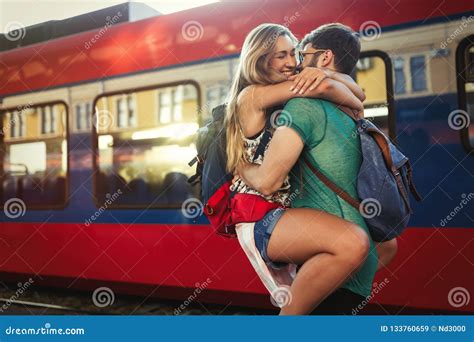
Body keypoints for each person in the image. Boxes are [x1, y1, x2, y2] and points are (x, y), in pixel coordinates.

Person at [237, 23, 398, 315]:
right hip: (258, 210)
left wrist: (329, 77)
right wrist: (243, 168)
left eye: (295, 54)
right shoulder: (252, 96)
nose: (293, 62)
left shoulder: (289, 98)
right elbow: (341, 91)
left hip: (282, 212)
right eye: (281, 56)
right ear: (260, 59)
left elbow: (353, 92)